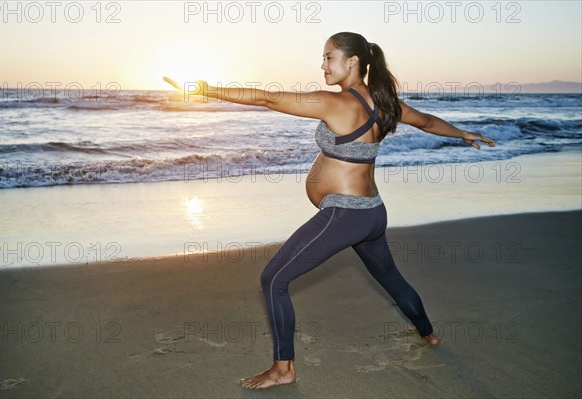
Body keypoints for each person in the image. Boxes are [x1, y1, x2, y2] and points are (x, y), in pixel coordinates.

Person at [165, 31, 495, 390]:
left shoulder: (334, 103)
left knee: (273, 279)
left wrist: (207, 89)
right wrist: (464, 134)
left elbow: (267, 99)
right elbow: (428, 122)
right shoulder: (384, 102)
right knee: (391, 279)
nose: (323, 65)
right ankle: (428, 334)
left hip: (346, 215)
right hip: (371, 213)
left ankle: (283, 369)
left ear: (353, 62)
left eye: (329, 57)